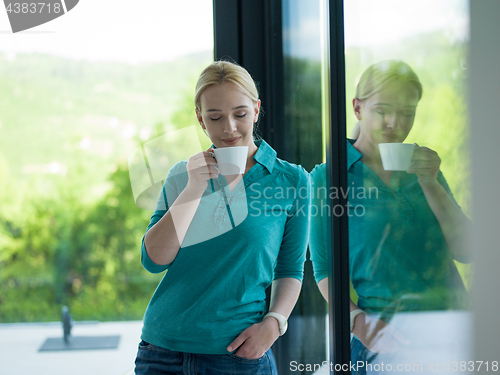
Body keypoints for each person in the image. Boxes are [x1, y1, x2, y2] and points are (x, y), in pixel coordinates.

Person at [134, 60, 310, 375]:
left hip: (236, 355)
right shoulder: (183, 175)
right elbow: (153, 261)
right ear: (201, 120)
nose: (229, 128)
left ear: (257, 109)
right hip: (160, 352)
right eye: (215, 117)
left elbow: (290, 269)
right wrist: (193, 188)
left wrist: (274, 324)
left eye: (240, 114)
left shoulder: (292, 181)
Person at [309, 60, 470, 373]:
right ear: (357, 108)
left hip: (451, 325)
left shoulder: (424, 168)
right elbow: (324, 269)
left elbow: (467, 251)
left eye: (407, 112)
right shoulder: (328, 178)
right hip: (384, 334)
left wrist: (430, 183)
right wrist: (361, 326)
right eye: (382, 110)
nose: (395, 122)